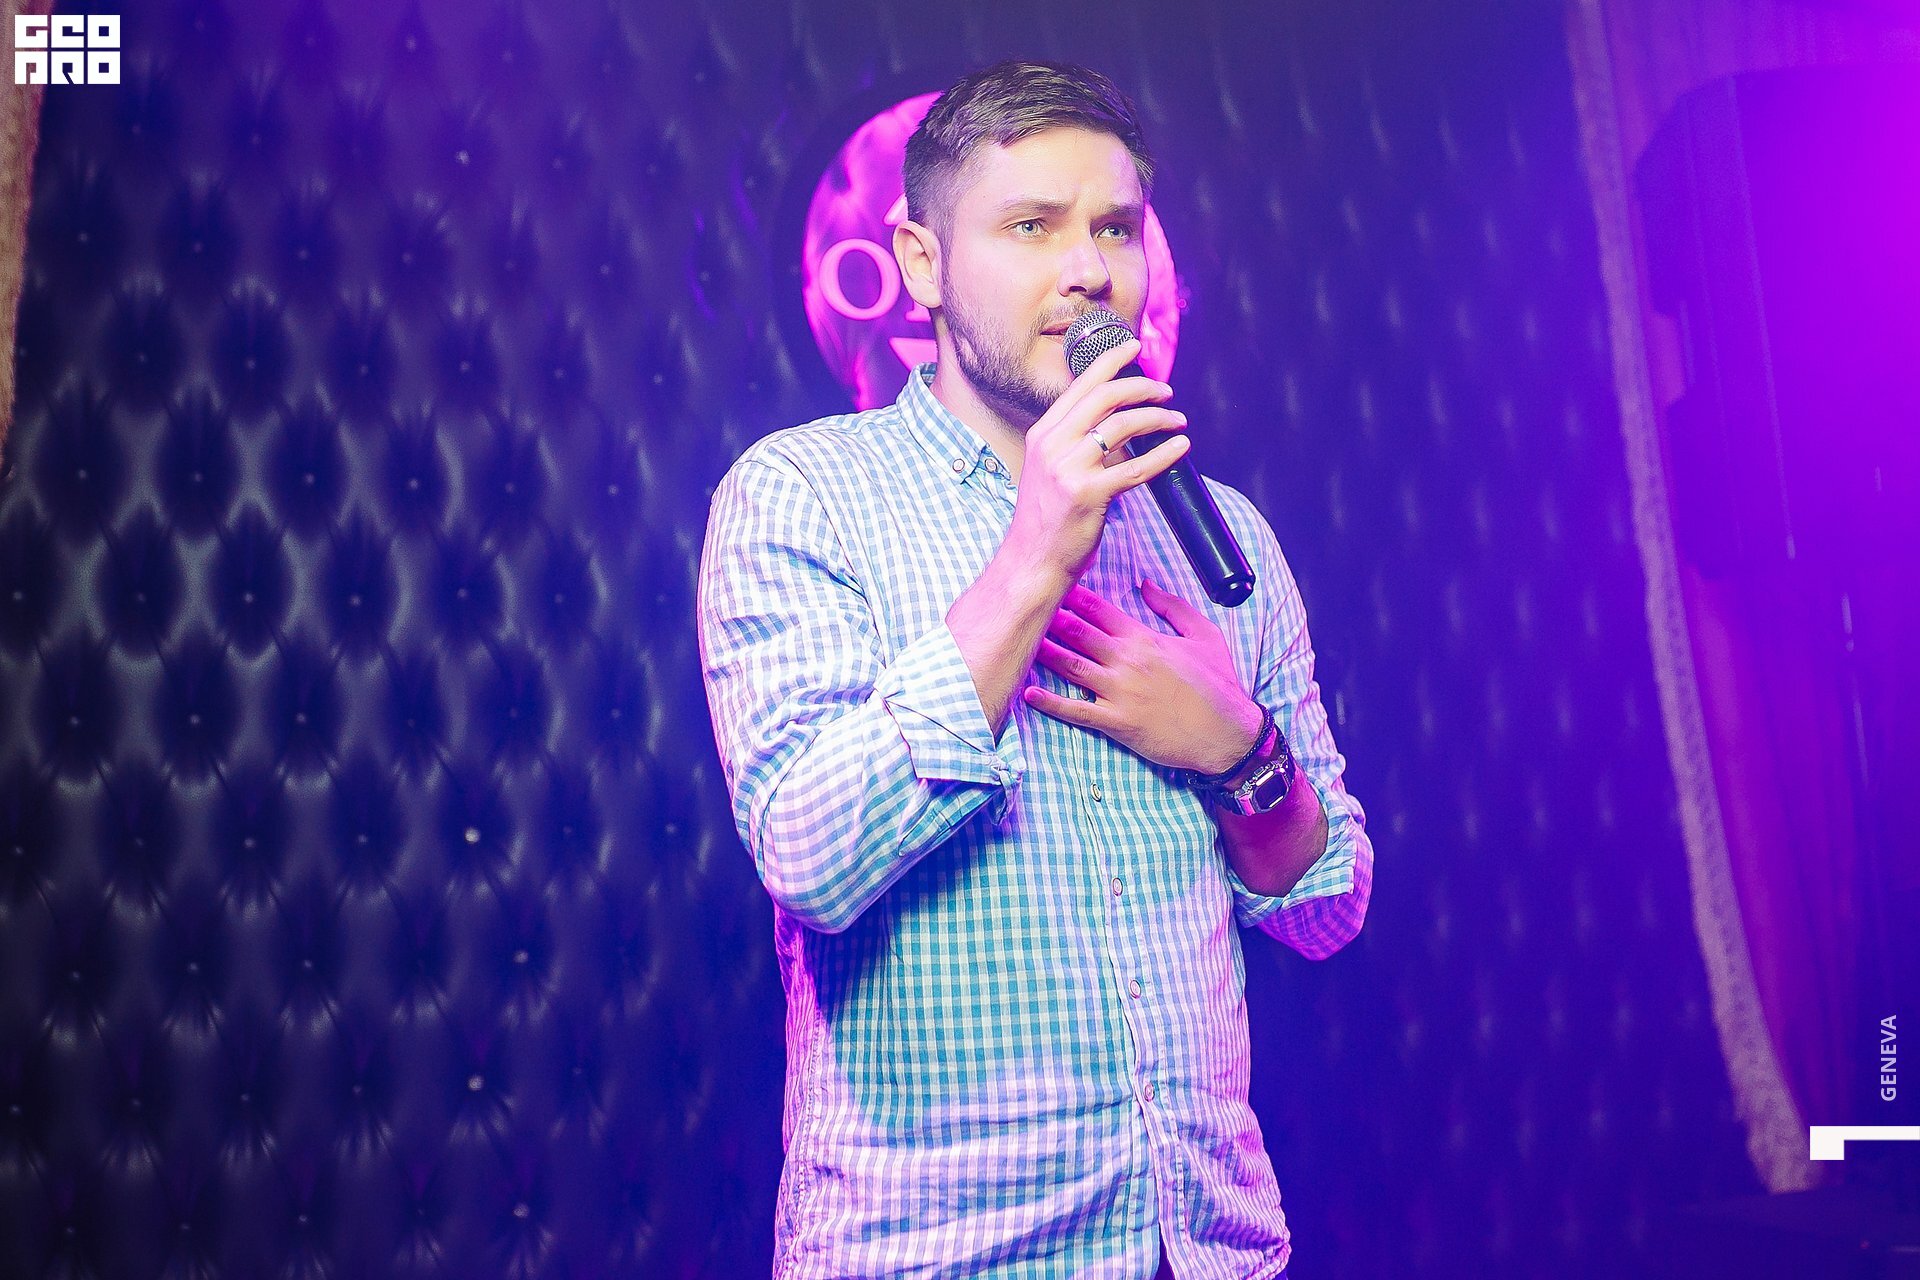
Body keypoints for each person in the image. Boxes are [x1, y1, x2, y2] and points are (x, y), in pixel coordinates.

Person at [697, 59, 1373, 1280]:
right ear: (920, 263)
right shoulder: (802, 494)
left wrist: (1240, 749)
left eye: (1116, 227)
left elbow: (1326, 907)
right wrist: (1035, 550)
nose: (1089, 268)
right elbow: (810, 857)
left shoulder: (1224, 533)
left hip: (1211, 1251)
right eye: (1031, 226)